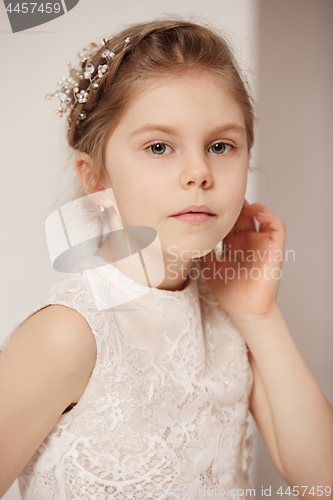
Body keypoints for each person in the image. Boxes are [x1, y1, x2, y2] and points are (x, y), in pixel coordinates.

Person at [0, 16, 332, 500]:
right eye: (159, 146)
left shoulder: (229, 319)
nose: (198, 171)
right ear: (96, 179)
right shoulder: (68, 335)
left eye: (221, 145)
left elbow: (322, 482)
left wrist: (258, 314)